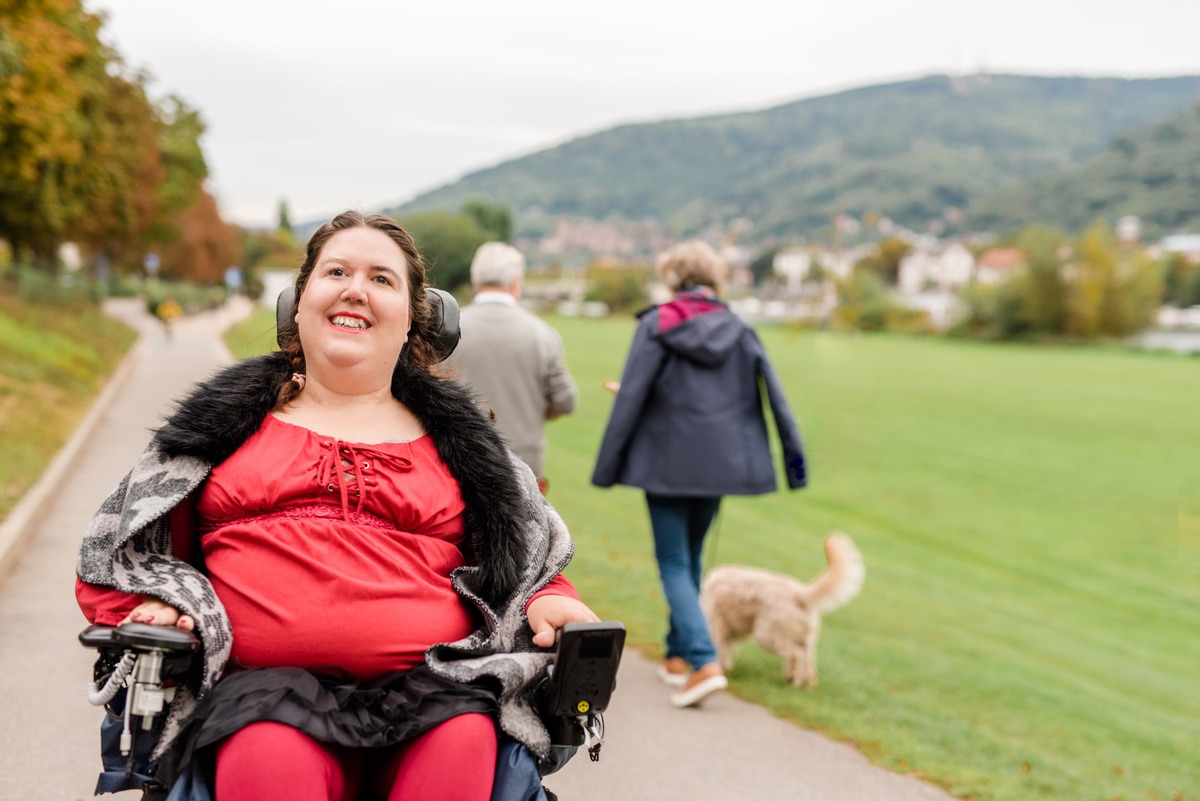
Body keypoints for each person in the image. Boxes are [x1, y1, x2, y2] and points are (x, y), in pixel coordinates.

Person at [76, 211, 600, 801]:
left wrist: (553, 599)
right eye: (337, 271)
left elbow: (533, 563)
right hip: (264, 695)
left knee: (465, 740)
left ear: (413, 321)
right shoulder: (212, 432)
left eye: (382, 279)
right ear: (297, 305)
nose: (356, 288)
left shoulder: (470, 448)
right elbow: (121, 550)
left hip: (437, 691)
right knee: (267, 751)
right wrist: (158, 601)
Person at [591, 240, 806, 709]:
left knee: (674, 562)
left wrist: (608, 466)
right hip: (719, 463)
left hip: (665, 461)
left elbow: (633, 399)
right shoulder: (741, 329)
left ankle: (704, 661)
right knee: (689, 558)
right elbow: (779, 400)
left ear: (673, 278)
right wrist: (795, 463)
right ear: (716, 278)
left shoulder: (655, 325)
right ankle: (676, 656)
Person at [450, 242, 577, 491]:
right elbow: (565, 401)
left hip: (457, 461)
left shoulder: (449, 329)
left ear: (475, 281)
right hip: (524, 470)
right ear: (515, 282)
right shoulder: (542, 334)